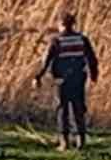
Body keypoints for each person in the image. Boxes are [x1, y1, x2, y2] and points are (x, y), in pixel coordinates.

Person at [35, 12, 100, 151]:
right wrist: (94, 74)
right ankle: (81, 140)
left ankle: (64, 142)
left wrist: (38, 76)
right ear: (73, 24)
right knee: (79, 108)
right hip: (78, 79)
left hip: (61, 80)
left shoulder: (57, 41)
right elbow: (92, 59)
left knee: (62, 109)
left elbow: (46, 61)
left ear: (61, 25)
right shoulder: (82, 39)